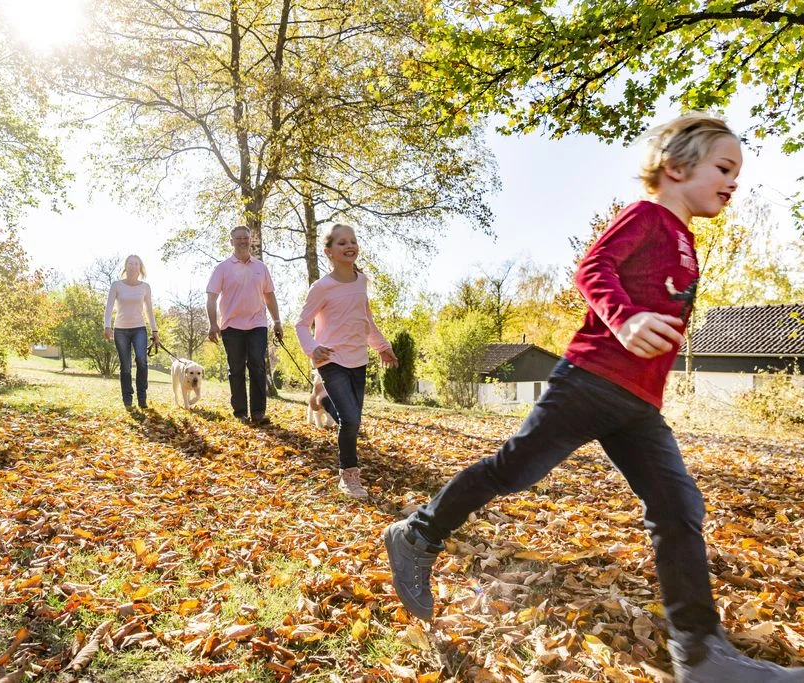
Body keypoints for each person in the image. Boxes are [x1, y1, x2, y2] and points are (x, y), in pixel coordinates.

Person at [384, 114, 804, 682]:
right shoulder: (648, 217)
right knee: (514, 470)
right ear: (677, 167)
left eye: (738, 172)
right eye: (724, 168)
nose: (734, 182)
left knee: (678, 508)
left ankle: (703, 656)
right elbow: (593, 267)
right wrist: (625, 320)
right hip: (590, 380)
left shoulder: (684, 239)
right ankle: (418, 533)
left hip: (637, 404)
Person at [296, 224, 397, 499]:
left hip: (358, 359)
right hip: (330, 359)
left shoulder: (362, 282)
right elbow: (302, 324)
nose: (349, 245)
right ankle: (349, 476)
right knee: (351, 419)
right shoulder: (322, 287)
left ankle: (323, 397)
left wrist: (382, 347)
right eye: (342, 243)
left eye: (352, 241)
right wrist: (313, 348)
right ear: (329, 252)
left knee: (351, 419)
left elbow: (367, 321)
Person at [206, 226, 283, 424]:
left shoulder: (261, 268)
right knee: (236, 369)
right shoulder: (222, 268)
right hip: (231, 326)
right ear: (231, 242)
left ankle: (258, 412)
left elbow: (270, 296)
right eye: (238, 238)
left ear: (251, 240)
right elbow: (212, 298)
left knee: (257, 365)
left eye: (245, 238)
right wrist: (213, 324)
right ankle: (240, 412)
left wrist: (276, 321)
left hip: (257, 324)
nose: (242, 241)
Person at [103, 255, 159, 409]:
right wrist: (107, 326)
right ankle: (127, 399)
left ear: (140, 267)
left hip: (139, 328)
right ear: (125, 266)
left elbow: (149, 310)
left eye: (136, 263)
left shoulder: (145, 287)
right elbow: (108, 307)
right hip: (120, 330)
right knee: (125, 366)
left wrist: (154, 330)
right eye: (130, 263)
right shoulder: (116, 285)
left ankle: (142, 398)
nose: (133, 266)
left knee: (142, 361)